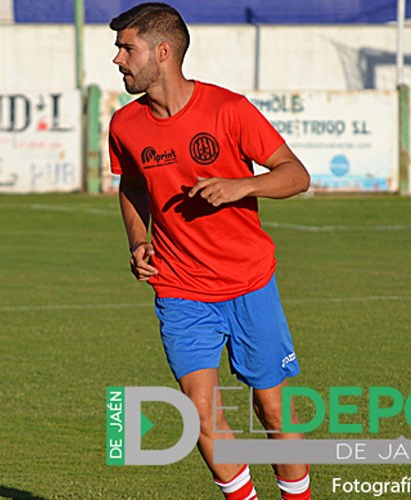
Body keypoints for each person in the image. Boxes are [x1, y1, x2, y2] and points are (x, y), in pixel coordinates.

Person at [108, 3, 311, 499]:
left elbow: (296, 175)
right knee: (199, 414)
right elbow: (132, 186)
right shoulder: (125, 125)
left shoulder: (228, 110)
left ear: (163, 52)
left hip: (248, 283)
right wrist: (138, 241)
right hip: (179, 289)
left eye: (126, 47)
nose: (117, 59)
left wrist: (242, 186)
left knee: (272, 411)